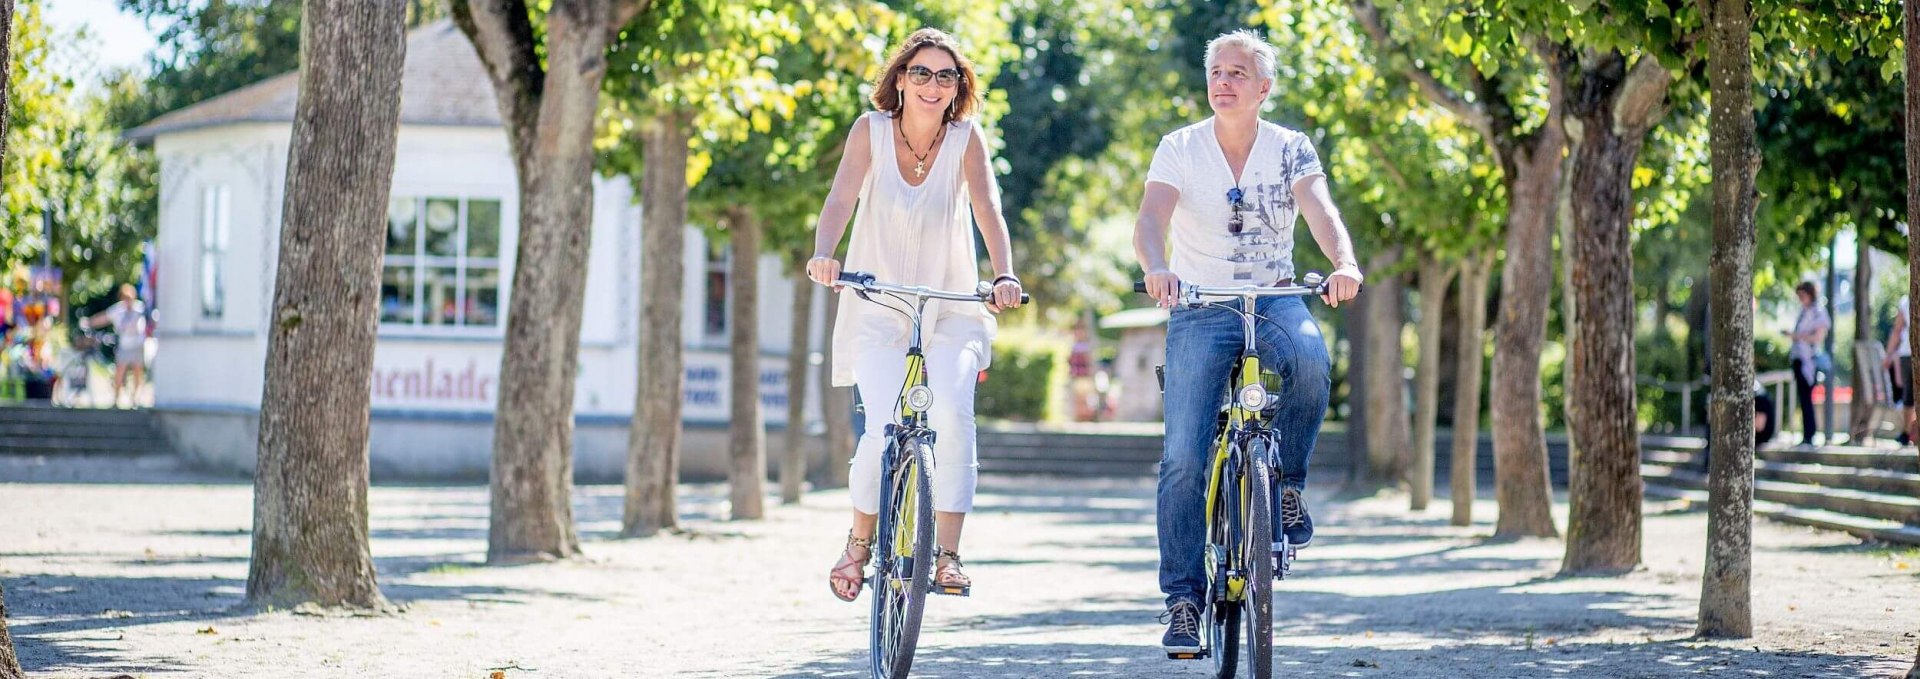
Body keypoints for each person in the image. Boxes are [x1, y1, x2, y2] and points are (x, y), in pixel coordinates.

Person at [1132, 29, 1363, 655]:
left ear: (1264, 89)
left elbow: (1320, 210)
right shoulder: (1180, 147)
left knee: (1313, 360)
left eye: (1238, 73)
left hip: (1275, 295)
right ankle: (1182, 600)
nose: (1224, 81)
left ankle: (1285, 488)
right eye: (1216, 72)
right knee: (1183, 455)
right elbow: (1150, 221)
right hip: (1200, 305)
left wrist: (1343, 262)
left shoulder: (1290, 148)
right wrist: (1158, 267)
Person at [807, 28, 1025, 603]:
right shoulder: (870, 132)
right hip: (878, 304)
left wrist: (1003, 274)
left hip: (951, 306)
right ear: (900, 79)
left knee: (953, 412)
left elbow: (989, 212)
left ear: (958, 89)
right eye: (922, 73)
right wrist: (825, 254)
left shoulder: (966, 139)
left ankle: (947, 554)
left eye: (946, 76)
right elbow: (840, 200)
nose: (933, 85)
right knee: (881, 427)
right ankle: (858, 545)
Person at [88, 284, 149, 408]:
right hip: (124, 345)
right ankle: (116, 397)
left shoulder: (140, 308)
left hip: (137, 344)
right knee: (120, 371)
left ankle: (136, 398)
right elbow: (104, 317)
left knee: (138, 371)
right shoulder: (118, 309)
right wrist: (89, 322)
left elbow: (150, 320)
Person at [1786, 281, 1831, 447]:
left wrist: (1797, 336)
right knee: (1803, 399)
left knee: (1807, 399)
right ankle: (1806, 433)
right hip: (1798, 359)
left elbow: (1818, 337)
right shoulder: (1803, 312)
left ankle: (1809, 434)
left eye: (1802, 296)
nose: (1800, 299)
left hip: (1809, 362)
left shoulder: (1818, 312)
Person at [1886, 294, 1912, 446]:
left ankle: (1906, 432)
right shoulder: (1905, 300)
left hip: (1906, 352)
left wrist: (1888, 354)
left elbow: (1897, 329)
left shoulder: (1906, 300)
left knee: (1909, 395)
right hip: (1907, 353)